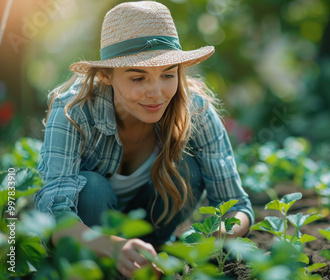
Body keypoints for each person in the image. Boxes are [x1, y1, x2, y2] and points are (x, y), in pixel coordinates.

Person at [33, 1, 254, 278]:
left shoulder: (195, 109)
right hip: (92, 233)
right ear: (106, 75)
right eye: (138, 78)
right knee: (93, 188)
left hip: (154, 228)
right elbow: (55, 212)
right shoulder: (74, 111)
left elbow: (237, 206)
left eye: (167, 75)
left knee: (187, 168)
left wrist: (209, 241)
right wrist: (114, 247)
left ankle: (152, 253)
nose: (156, 93)